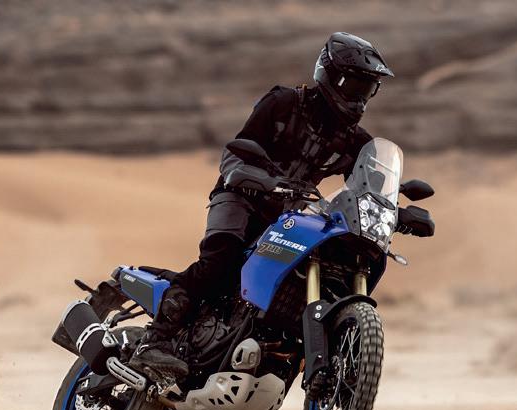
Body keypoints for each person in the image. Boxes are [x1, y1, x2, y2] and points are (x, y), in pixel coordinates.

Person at [130, 32, 394, 379]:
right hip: (241, 197)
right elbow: (237, 152)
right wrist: (262, 180)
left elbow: (370, 184)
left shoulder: (354, 140)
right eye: (354, 85)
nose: (360, 98)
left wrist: (397, 208)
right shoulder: (284, 103)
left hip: (286, 217)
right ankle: (154, 341)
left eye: (368, 89)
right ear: (330, 75)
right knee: (220, 261)